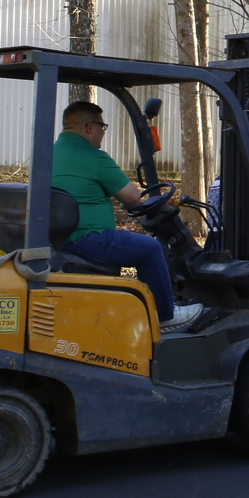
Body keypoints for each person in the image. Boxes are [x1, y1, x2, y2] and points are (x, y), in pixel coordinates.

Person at [52, 101, 202, 330]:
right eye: (103, 127)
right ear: (89, 127)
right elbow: (133, 197)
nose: (103, 132)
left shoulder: (49, 153)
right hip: (87, 238)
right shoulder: (93, 157)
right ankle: (165, 316)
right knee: (150, 250)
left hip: (59, 239)